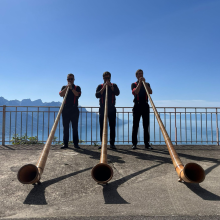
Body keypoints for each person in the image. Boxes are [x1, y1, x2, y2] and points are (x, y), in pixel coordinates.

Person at [95, 71, 120, 150]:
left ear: (110, 78)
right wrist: (104, 88)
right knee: (102, 126)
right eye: (105, 78)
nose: (107, 79)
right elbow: (97, 95)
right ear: (103, 78)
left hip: (112, 108)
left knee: (112, 126)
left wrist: (111, 87)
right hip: (102, 108)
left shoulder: (114, 85)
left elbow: (117, 93)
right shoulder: (100, 86)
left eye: (108, 78)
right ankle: (103, 143)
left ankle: (112, 144)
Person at [131, 69, 153, 150]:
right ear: (136, 76)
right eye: (139, 74)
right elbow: (135, 92)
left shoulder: (147, 84)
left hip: (145, 105)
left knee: (146, 125)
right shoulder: (133, 84)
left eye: (142, 74)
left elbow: (150, 92)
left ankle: (147, 144)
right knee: (135, 125)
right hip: (137, 105)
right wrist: (140, 83)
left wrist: (144, 84)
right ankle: (134, 144)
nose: (141, 75)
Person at [59, 73, 81, 149]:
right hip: (65, 109)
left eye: (71, 79)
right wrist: (67, 88)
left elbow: (77, 94)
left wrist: (71, 88)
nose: (70, 80)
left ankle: (76, 144)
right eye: (69, 79)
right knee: (65, 127)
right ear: (67, 80)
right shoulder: (63, 87)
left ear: (74, 79)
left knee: (75, 127)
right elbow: (61, 94)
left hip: (74, 109)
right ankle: (65, 144)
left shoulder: (77, 87)